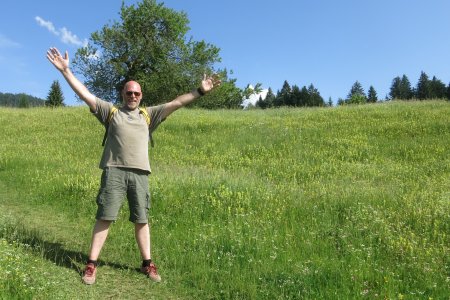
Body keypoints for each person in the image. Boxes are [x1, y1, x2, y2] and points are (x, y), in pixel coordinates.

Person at [46, 47, 221, 285]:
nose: (133, 96)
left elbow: (177, 103)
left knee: (141, 219)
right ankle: (91, 264)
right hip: (114, 172)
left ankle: (147, 264)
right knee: (105, 217)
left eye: (136, 93)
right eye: (129, 92)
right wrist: (66, 71)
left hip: (140, 174)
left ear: (141, 96)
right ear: (123, 94)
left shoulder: (150, 115)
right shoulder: (111, 112)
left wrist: (200, 91)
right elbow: (85, 94)